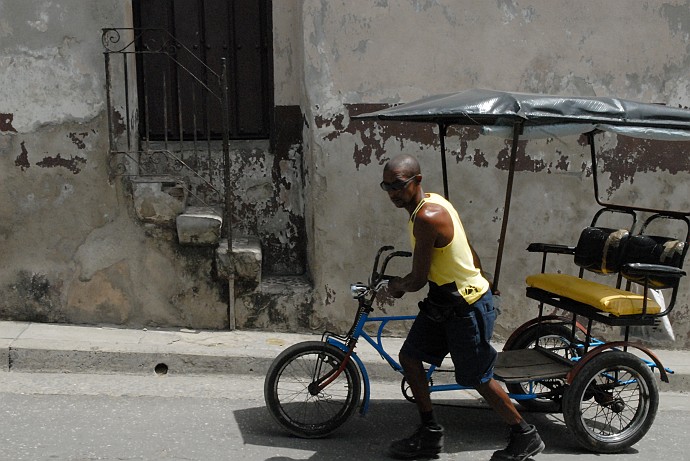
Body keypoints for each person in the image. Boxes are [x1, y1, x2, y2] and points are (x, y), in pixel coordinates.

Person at [378, 154, 544, 461]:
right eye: (386, 186)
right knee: (410, 358)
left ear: (417, 181)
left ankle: (525, 435)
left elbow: (416, 279)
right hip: (443, 302)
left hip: (465, 305)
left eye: (398, 185)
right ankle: (429, 434)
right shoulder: (428, 205)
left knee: (476, 377)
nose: (392, 193)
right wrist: (483, 276)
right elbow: (467, 249)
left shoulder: (428, 217)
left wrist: (394, 286)